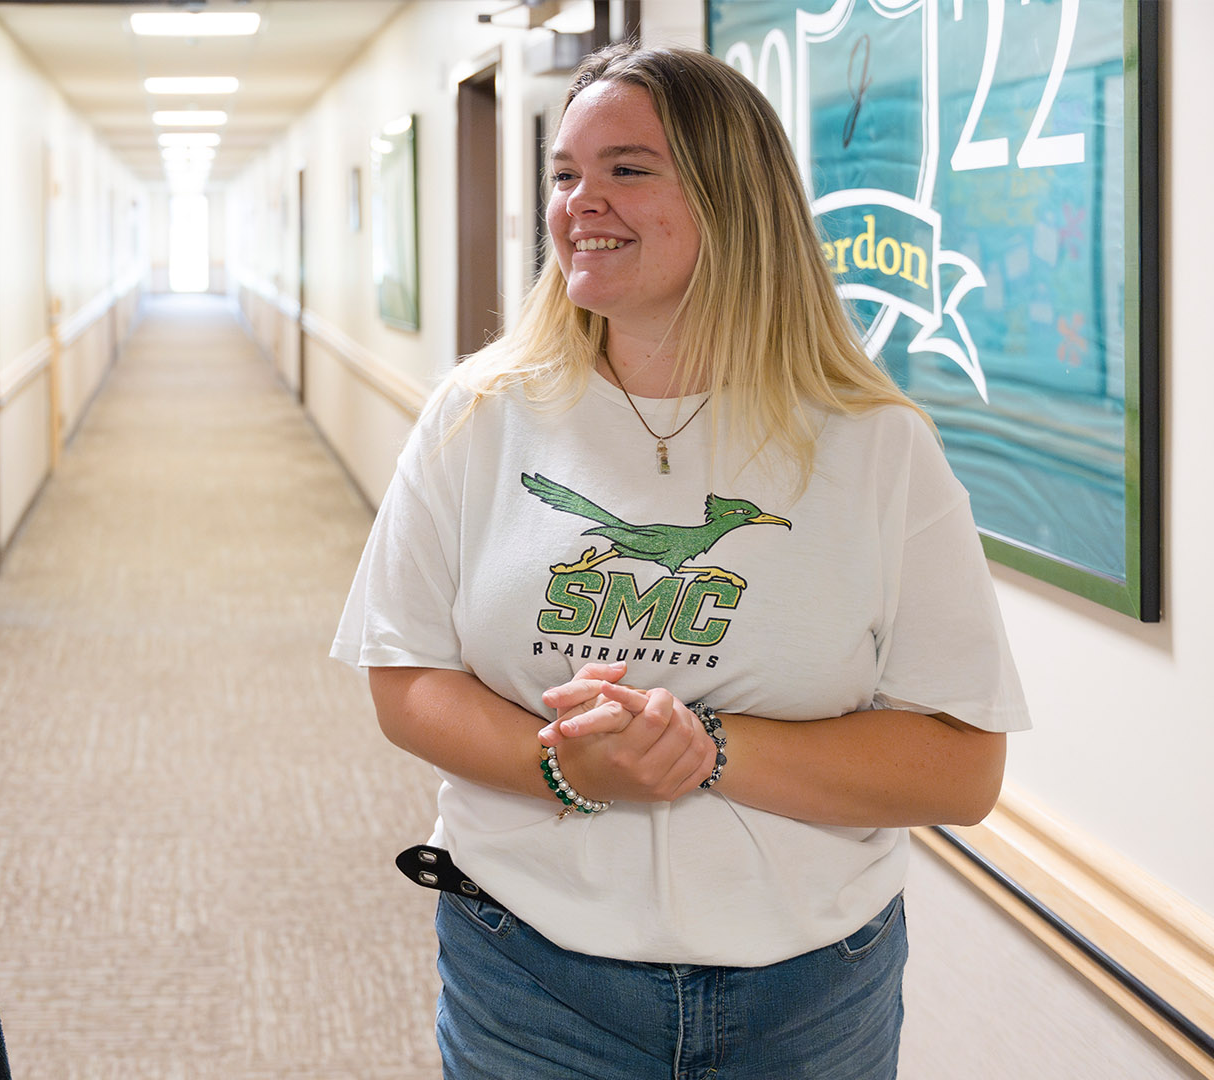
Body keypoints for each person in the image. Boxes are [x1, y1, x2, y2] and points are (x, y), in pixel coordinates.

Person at [332, 43, 1029, 1079]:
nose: (580, 202)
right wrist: (562, 765)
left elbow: (962, 767)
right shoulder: (480, 417)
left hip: (807, 987)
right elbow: (404, 678)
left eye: (626, 168)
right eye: (565, 173)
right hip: (531, 970)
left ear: (732, 196)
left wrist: (706, 749)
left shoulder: (872, 444)